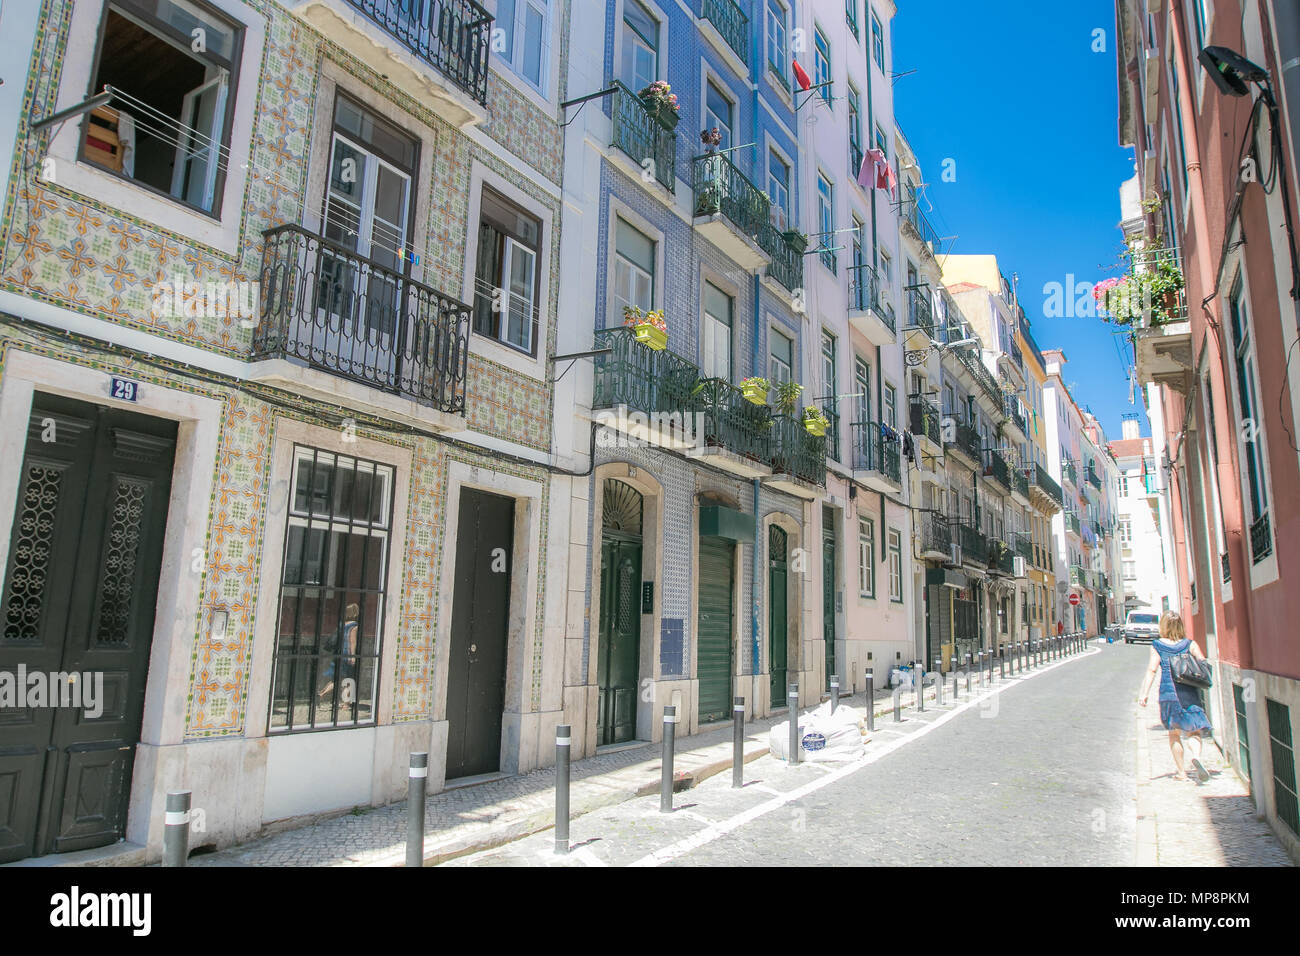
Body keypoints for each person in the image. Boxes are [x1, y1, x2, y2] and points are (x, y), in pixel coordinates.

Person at [1138, 611, 1212, 782]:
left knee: (1174, 733)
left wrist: (1144, 694)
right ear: (1180, 625)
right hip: (1188, 691)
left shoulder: (1157, 645)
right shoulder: (1190, 644)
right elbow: (1203, 665)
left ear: (1163, 625)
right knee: (1194, 731)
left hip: (1168, 692)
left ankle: (1181, 773)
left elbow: (1152, 670)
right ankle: (1197, 758)